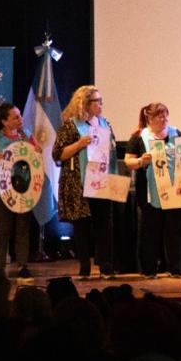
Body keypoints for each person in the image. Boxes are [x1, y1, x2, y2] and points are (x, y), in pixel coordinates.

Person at [53, 85, 118, 278]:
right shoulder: (71, 125)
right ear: (85, 103)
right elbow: (58, 154)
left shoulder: (105, 123)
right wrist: (79, 144)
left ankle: (105, 265)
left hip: (101, 180)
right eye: (97, 101)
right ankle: (84, 266)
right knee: (82, 225)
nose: (101, 104)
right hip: (78, 182)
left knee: (104, 224)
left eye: (101, 100)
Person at [125, 102, 181, 277]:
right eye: (161, 117)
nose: (165, 120)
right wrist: (141, 161)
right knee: (151, 230)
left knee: (173, 230)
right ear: (150, 118)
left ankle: (175, 268)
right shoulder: (140, 136)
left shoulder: (175, 133)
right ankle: (149, 269)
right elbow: (128, 161)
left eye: (166, 116)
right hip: (149, 191)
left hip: (175, 189)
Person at [0, 103, 39, 278]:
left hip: (24, 189)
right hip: (0, 190)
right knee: (3, 229)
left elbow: (36, 159)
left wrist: (37, 152)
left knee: (22, 228)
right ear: (4, 121)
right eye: (15, 117)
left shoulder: (26, 135)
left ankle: (22, 266)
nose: (20, 119)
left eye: (20, 116)